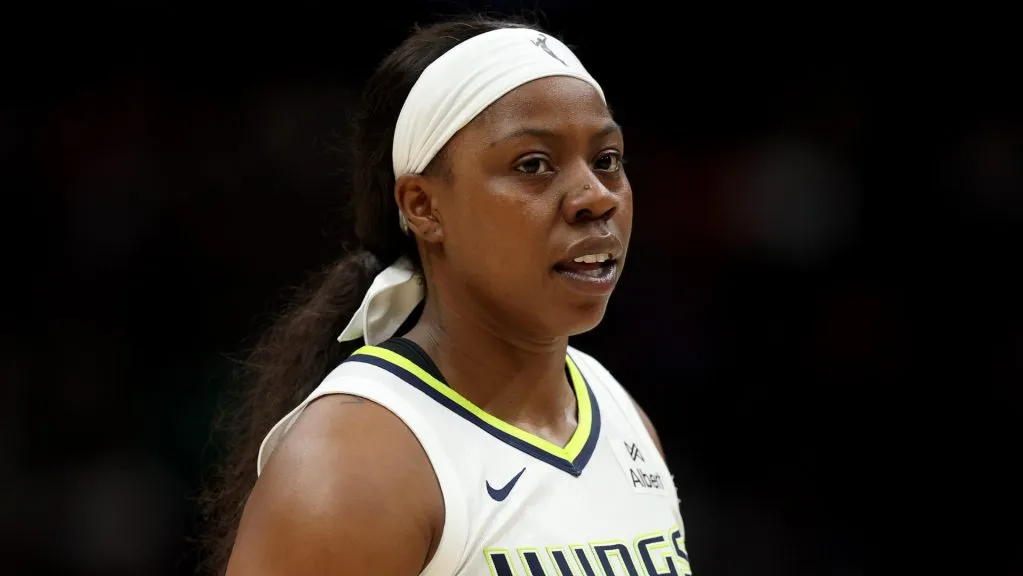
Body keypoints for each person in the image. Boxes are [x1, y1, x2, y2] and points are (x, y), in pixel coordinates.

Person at [201, 15, 693, 576]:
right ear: (423, 207)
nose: (596, 196)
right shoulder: (353, 463)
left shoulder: (622, 416)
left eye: (607, 161)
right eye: (533, 164)